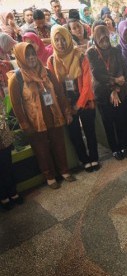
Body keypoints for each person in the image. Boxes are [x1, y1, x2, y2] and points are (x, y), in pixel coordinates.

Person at [9, 42, 76, 189]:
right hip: (35, 121)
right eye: (27, 55)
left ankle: (64, 171)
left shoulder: (46, 72)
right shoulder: (17, 79)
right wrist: (25, 125)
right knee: (41, 150)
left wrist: (66, 110)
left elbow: (59, 92)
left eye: (33, 54)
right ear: (20, 58)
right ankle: (50, 176)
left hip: (53, 115)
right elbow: (17, 105)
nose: (32, 58)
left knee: (58, 144)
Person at [48, 25, 99, 172]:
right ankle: (84, 160)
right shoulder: (52, 61)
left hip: (84, 99)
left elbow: (87, 85)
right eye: (56, 40)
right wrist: (66, 107)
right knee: (74, 133)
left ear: (69, 39)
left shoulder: (81, 56)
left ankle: (94, 158)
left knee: (90, 131)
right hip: (66, 102)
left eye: (63, 39)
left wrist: (79, 104)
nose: (60, 43)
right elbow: (55, 87)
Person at [87, 26, 127, 160]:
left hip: (118, 90)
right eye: (101, 39)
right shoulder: (91, 53)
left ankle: (123, 145)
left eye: (106, 38)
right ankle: (115, 148)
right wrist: (113, 83)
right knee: (108, 122)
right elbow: (97, 73)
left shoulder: (115, 50)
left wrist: (116, 87)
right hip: (103, 93)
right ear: (96, 39)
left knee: (120, 120)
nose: (104, 42)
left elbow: (121, 67)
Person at [0, 99, 23, 210]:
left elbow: (2, 113)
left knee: (7, 167)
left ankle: (13, 193)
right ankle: (3, 197)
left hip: (4, 138)